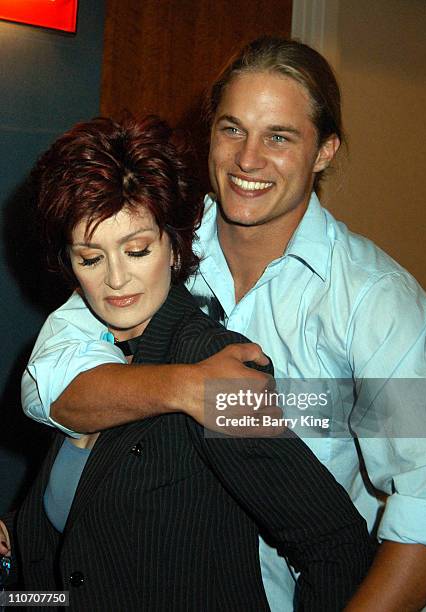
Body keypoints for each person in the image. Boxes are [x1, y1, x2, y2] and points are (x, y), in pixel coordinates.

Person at [16, 36, 426, 611]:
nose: (248, 159)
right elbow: (50, 384)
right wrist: (192, 389)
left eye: (279, 136)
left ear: (325, 150)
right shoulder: (156, 246)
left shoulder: (376, 303)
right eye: (232, 129)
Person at [0, 114, 374, 611]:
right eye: (90, 258)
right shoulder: (85, 349)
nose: (116, 280)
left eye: (136, 250)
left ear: (174, 247)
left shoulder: (213, 364)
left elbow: (336, 544)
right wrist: (17, 547)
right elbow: (80, 564)